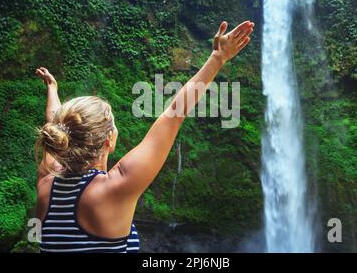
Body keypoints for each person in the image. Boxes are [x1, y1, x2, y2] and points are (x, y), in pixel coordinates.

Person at [34, 20, 254, 253]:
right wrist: (217, 57)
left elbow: (54, 123)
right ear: (109, 140)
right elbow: (174, 114)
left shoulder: (46, 185)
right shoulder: (114, 189)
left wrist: (52, 90)